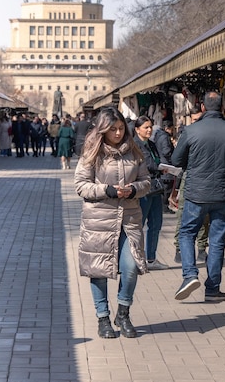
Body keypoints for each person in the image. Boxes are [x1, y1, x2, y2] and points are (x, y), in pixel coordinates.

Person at [74, 107, 151, 338]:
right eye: (113, 129)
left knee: (131, 268)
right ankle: (103, 317)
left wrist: (134, 189)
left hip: (129, 220)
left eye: (121, 129)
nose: (118, 133)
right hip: (99, 220)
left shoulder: (134, 151)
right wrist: (106, 190)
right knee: (98, 270)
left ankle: (123, 313)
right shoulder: (92, 152)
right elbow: (81, 185)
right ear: (103, 130)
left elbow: (146, 181)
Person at [171, 92, 225, 302]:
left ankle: (189, 275)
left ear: (202, 107)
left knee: (187, 233)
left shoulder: (191, 130)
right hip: (223, 194)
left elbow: (176, 160)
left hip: (196, 193)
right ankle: (212, 289)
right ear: (222, 107)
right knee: (217, 241)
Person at [172, 103, 209, 264]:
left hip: (204, 177)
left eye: (199, 119)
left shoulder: (207, 133)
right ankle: (179, 249)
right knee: (182, 213)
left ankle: (201, 248)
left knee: (203, 215)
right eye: (194, 120)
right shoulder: (186, 134)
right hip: (188, 176)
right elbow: (177, 159)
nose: (196, 122)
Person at [134, 116, 168, 270]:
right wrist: (158, 167)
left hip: (155, 188)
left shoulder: (152, 144)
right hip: (143, 190)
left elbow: (155, 161)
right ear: (137, 129)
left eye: (150, 127)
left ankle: (151, 259)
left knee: (156, 224)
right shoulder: (134, 146)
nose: (149, 130)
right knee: (138, 226)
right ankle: (135, 259)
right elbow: (144, 165)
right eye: (145, 127)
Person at [151, 120, 175, 213]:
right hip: (166, 164)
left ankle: (163, 206)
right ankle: (165, 207)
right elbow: (166, 151)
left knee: (165, 187)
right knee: (167, 188)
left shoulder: (157, 136)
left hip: (162, 163)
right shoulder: (164, 137)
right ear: (167, 128)